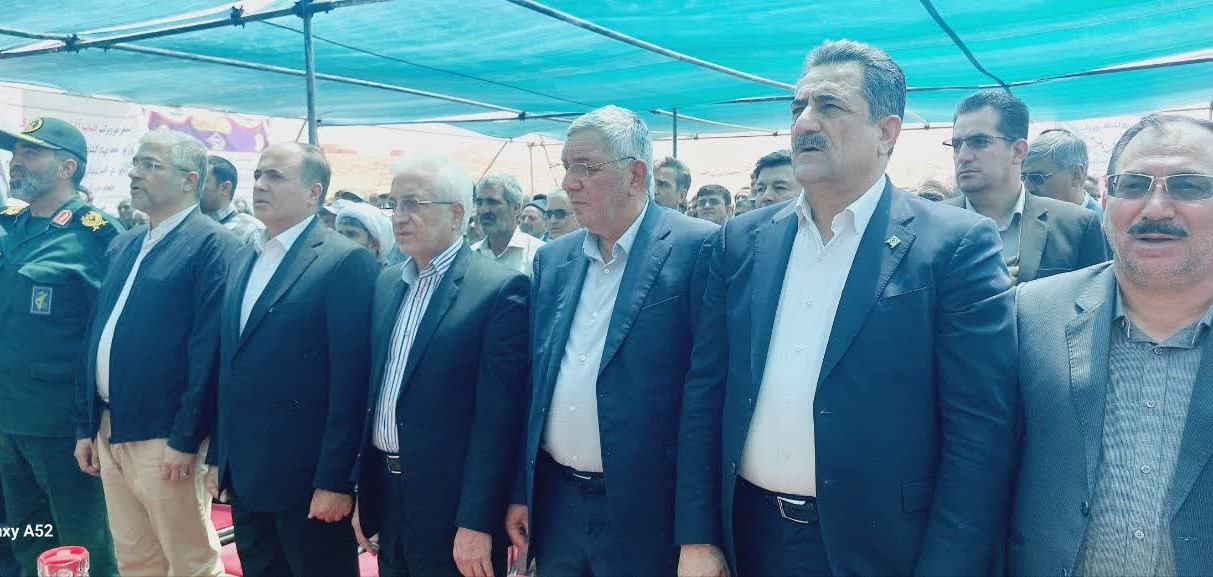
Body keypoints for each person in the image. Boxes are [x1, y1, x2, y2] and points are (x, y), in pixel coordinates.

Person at [676, 40, 1018, 577]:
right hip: (750, 537)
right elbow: (705, 392)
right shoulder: (741, 241)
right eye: (797, 107)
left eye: (829, 106)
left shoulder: (953, 245)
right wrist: (698, 536)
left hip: (881, 549)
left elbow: (980, 434)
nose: (804, 122)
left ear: (887, 132)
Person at [505, 105, 717, 576]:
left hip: (647, 513)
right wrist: (522, 490)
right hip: (558, 505)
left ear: (635, 175)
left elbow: (706, 398)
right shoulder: (553, 260)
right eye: (566, 167)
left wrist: (699, 531)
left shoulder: (698, 247)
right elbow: (535, 386)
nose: (569, 183)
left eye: (586, 167)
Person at [1011, 115, 1213, 576]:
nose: (1155, 208)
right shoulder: (1032, 313)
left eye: (1188, 186)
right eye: (1133, 185)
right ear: (1105, 205)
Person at [205, 142, 379, 577]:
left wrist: (336, 481)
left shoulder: (344, 261)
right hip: (248, 477)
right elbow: (232, 365)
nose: (260, 184)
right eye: (258, 174)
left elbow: (351, 384)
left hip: (308, 485)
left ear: (313, 192)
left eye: (275, 176)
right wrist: (221, 459)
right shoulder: (245, 256)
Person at [353, 155, 529, 577]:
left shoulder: (497, 289)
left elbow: (498, 422)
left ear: (456, 213)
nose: (399, 216)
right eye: (394, 203)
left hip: (451, 508)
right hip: (389, 493)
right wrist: (365, 491)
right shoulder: (388, 282)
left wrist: (476, 522)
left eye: (413, 203)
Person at [74, 128, 235, 576]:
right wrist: (86, 425)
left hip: (165, 437)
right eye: (136, 163)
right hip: (111, 427)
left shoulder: (213, 245)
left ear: (190, 180)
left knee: (190, 562)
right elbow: (96, 335)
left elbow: (209, 353)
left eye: (150, 165)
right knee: (136, 558)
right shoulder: (126, 242)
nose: (135, 173)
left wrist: (186, 438)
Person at [0, 117, 121, 576]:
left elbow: (114, 335)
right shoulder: (8, 226)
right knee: (26, 539)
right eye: (14, 153)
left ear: (68, 166)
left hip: (63, 428)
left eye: (31, 152)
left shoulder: (97, 235)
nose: (16, 161)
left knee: (84, 545)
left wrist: (97, 419)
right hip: (8, 420)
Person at [944, 90, 1108, 284]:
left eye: (979, 142)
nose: (963, 156)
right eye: (956, 145)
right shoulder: (927, 225)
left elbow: (1093, 299)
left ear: (1018, 151)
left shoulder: (1076, 226)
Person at [471, 173, 544, 277]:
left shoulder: (539, 255)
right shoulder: (471, 255)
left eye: (492, 202)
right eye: (479, 203)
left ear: (516, 209)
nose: (483, 210)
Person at [1024, 128, 1103, 215]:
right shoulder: (1028, 216)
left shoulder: (1102, 222)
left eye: (1036, 178)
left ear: (1076, 176)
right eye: (1023, 177)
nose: (1027, 188)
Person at [201, 155, 265, 245]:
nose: (193, 187)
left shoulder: (250, 230)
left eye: (201, 181)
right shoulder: (187, 224)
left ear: (225, 188)